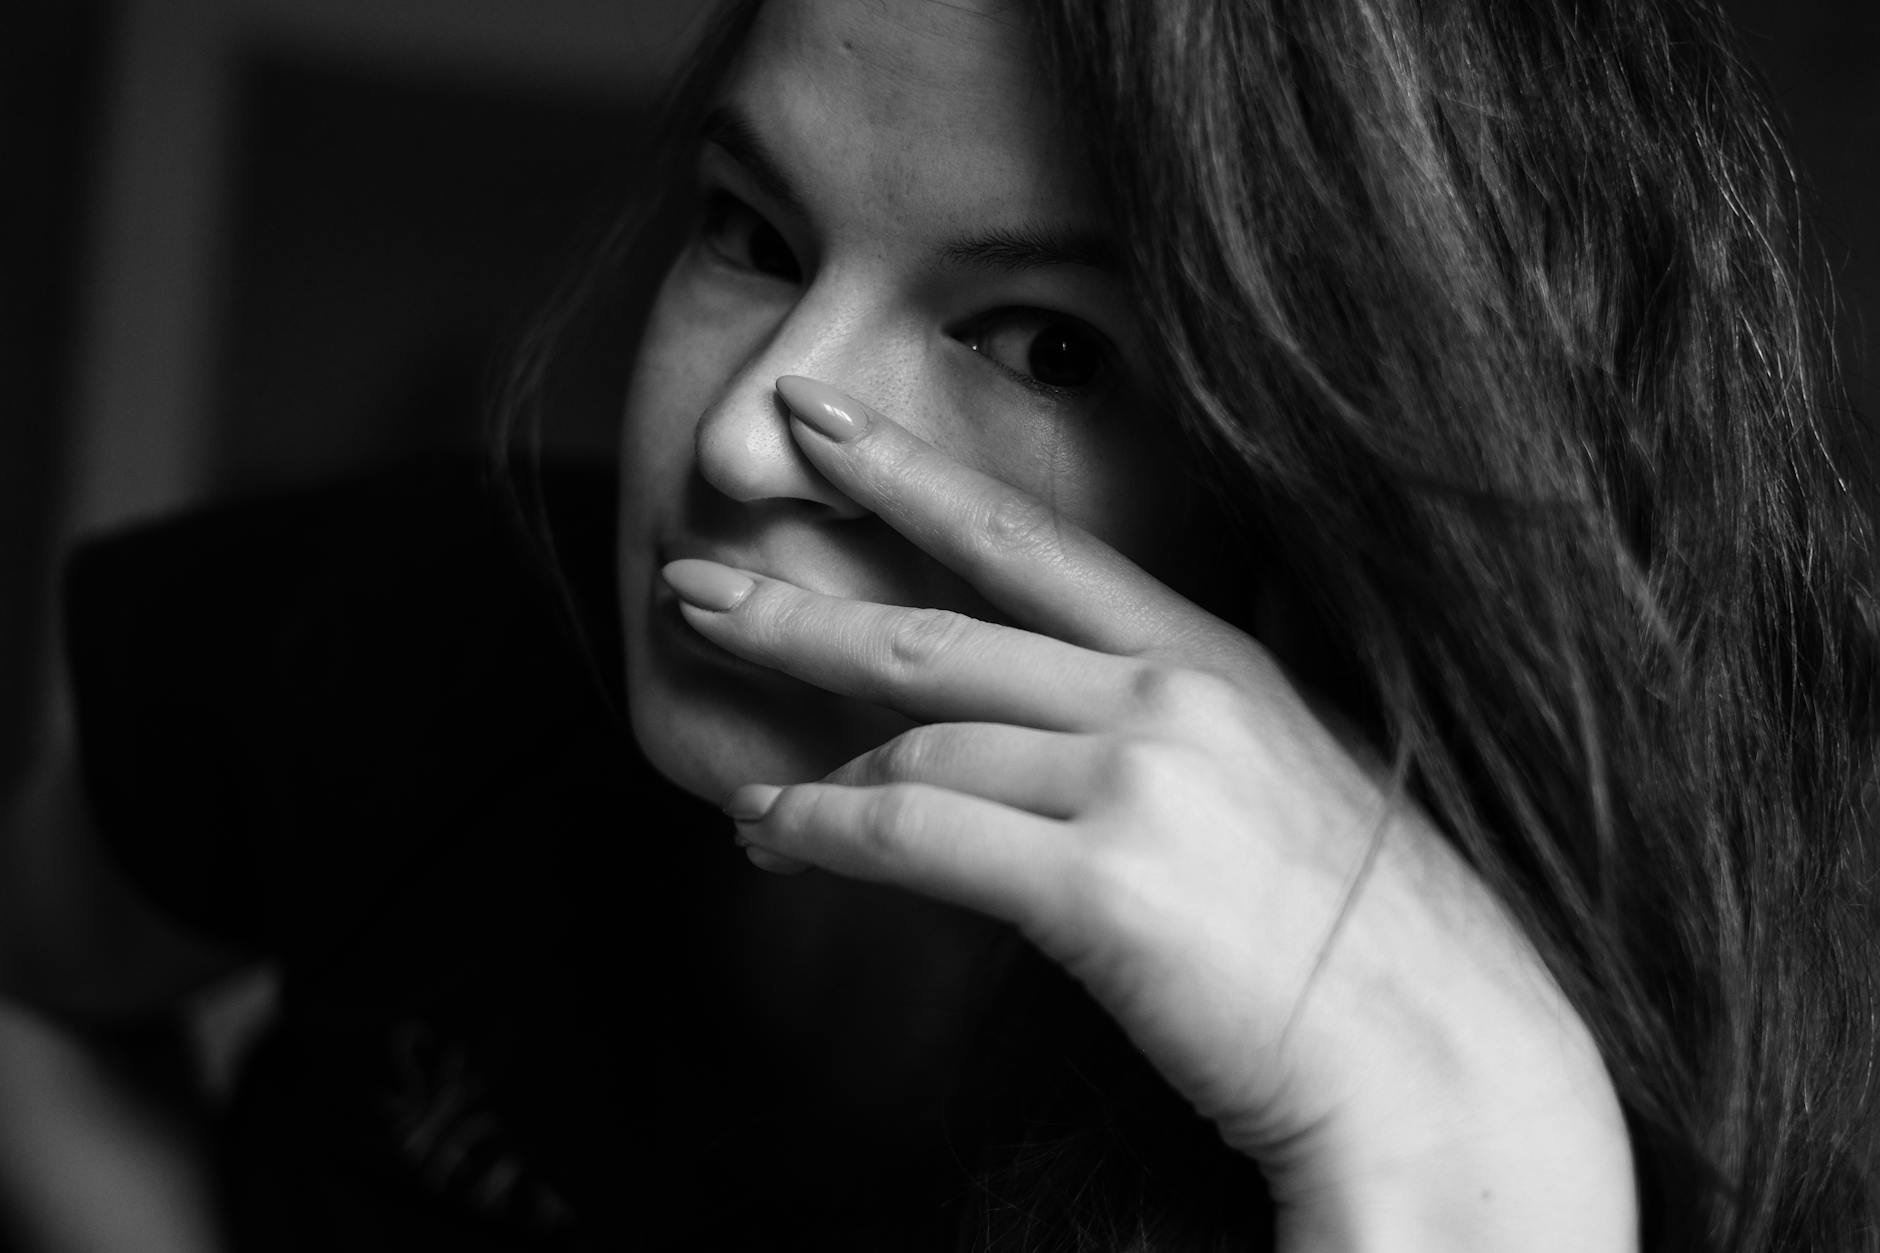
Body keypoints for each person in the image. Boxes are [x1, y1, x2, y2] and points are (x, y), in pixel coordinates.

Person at [2, 0, 1876, 1248]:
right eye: (752, 230)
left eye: (1045, 345)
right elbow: (35, 1003)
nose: (743, 436)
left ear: (1340, 504)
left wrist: (1483, 1157)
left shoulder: (1547, 1105)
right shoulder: (408, 623)